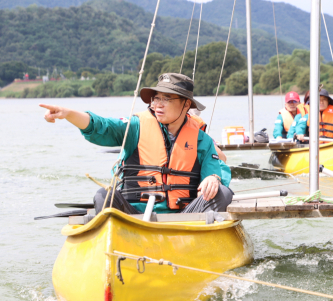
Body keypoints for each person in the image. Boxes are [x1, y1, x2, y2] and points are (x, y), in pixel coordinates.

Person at [40, 73, 234, 214]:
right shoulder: (135, 126)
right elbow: (103, 127)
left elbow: (214, 171)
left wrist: (213, 179)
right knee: (103, 196)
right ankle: (117, 240)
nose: (158, 104)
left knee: (223, 193)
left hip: (185, 218)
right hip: (134, 214)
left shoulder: (203, 141)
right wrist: (69, 114)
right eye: (156, 98)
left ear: (186, 104)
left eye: (167, 99)